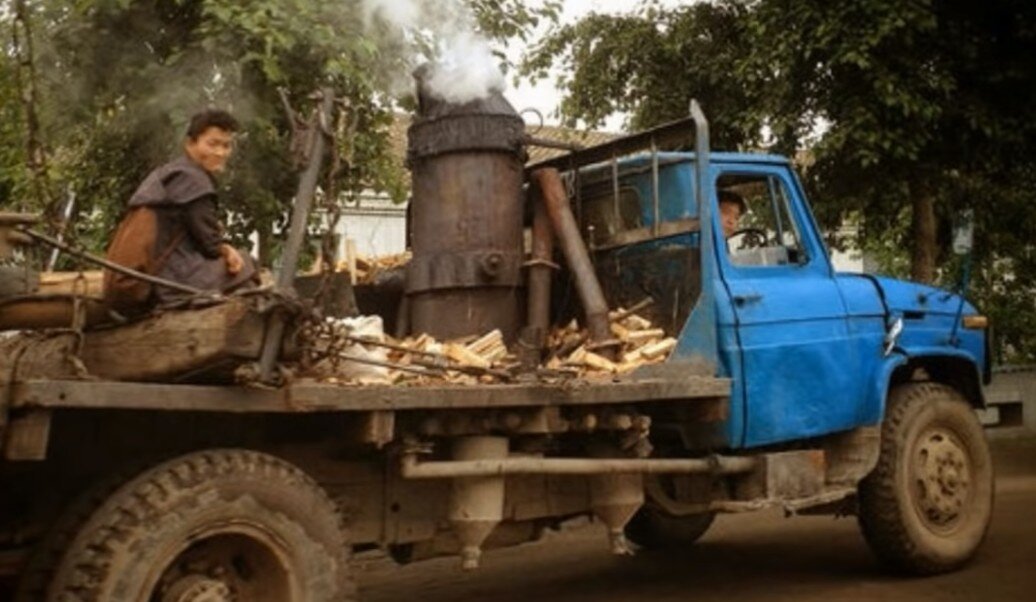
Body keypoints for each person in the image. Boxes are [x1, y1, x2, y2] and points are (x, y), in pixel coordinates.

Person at [125, 109, 258, 305]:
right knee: (248, 264)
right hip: (172, 282)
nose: (220, 152)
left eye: (226, 145)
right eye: (212, 144)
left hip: (155, 274)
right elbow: (211, 245)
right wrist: (227, 249)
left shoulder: (171, 172)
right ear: (190, 144)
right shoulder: (192, 179)